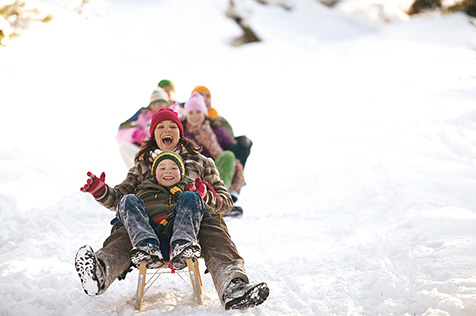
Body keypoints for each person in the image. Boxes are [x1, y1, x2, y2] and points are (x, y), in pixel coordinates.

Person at [75, 108, 269, 310]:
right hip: (148, 227)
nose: (166, 130)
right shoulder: (143, 166)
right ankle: (100, 272)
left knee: (216, 233)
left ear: (180, 132)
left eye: (172, 126)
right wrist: (100, 191)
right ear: (153, 134)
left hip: (194, 226)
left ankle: (233, 287)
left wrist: (205, 195)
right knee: (123, 233)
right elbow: (120, 201)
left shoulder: (202, 162)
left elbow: (226, 203)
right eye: (160, 126)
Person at [119, 150, 217, 271]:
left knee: (190, 196)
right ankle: (146, 245)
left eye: (173, 168)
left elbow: (211, 215)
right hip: (151, 241)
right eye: (162, 168)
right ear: (155, 174)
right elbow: (128, 213)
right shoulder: (144, 190)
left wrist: (201, 198)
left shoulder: (190, 190)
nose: (168, 171)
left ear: (181, 173)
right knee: (127, 199)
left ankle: (182, 244)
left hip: (179, 244)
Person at [181, 92, 245, 203]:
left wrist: (243, 146)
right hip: (193, 170)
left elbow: (231, 147)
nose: (195, 116)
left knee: (229, 156)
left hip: (214, 170)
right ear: (186, 115)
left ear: (204, 113)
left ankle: (220, 199)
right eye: (191, 113)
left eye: (198, 112)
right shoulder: (181, 131)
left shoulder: (215, 129)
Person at [191, 85, 253, 169]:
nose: (205, 99)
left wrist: (243, 144)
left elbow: (230, 144)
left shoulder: (218, 122)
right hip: (198, 165)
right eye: (201, 95)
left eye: (208, 97)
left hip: (220, 161)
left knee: (238, 149)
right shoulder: (185, 120)